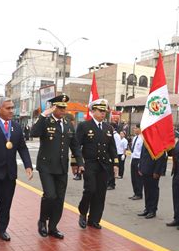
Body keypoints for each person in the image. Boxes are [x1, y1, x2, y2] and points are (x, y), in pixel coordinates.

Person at [0, 97, 33, 245]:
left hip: (10, 172)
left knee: (6, 202)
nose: (11, 111)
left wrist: (28, 165)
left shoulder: (16, 127)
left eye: (12, 108)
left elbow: (22, 147)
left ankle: (2, 229)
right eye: (8, 108)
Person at [31, 95, 84, 239]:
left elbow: (75, 146)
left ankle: (53, 227)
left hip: (61, 167)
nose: (62, 110)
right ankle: (42, 221)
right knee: (50, 195)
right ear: (53, 108)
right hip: (46, 166)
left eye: (64, 108)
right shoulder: (46, 122)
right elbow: (33, 133)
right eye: (59, 107)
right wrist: (43, 115)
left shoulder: (68, 124)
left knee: (59, 198)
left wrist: (79, 162)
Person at [76, 99, 118, 230]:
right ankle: (83, 212)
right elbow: (77, 145)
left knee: (100, 194)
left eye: (104, 111)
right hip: (89, 164)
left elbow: (112, 148)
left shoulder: (108, 127)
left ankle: (94, 219)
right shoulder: (84, 126)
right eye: (100, 111)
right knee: (90, 189)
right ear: (93, 111)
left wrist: (116, 164)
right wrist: (78, 162)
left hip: (104, 165)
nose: (103, 114)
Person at [137, 145, 168, 219]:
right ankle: (147, 208)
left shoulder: (157, 142)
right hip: (145, 169)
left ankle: (152, 210)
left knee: (153, 191)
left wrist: (157, 171)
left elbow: (161, 157)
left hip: (153, 171)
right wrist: (140, 168)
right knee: (147, 190)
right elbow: (142, 156)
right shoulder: (146, 141)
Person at [129, 124, 144, 200]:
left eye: (135, 128)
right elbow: (133, 150)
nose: (134, 130)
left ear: (139, 129)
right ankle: (135, 193)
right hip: (133, 159)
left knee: (138, 178)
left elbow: (142, 152)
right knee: (133, 178)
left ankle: (139, 194)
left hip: (139, 160)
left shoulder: (142, 139)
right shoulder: (135, 138)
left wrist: (141, 163)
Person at [107, 123, 121, 190]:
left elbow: (116, 146)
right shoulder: (112, 134)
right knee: (109, 170)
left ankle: (112, 184)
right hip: (110, 154)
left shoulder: (116, 136)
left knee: (111, 170)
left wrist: (115, 156)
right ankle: (109, 183)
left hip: (114, 154)